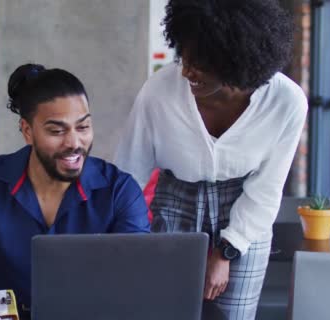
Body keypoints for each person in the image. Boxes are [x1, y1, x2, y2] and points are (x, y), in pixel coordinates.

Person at [114, 0, 307, 319]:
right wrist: (118, 240)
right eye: (184, 58)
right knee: (165, 311)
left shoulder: (285, 102)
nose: (187, 71)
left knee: (234, 316)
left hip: (245, 208)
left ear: (235, 60)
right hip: (176, 198)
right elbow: (129, 171)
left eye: (200, 63)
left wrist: (226, 252)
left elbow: (266, 190)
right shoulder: (160, 92)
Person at [0, 63, 150, 320]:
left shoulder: (119, 190)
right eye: (56, 131)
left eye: (82, 127)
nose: (73, 143)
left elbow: (136, 279)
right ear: (27, 131)